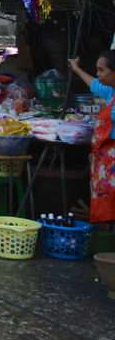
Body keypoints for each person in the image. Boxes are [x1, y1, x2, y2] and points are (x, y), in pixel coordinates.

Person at [69, 53, 115, 224]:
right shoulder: (110, 91)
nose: (97, 73)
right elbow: (94, 84)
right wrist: (76, 69)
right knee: (108, 206)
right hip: (105, 162)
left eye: (101, 70)